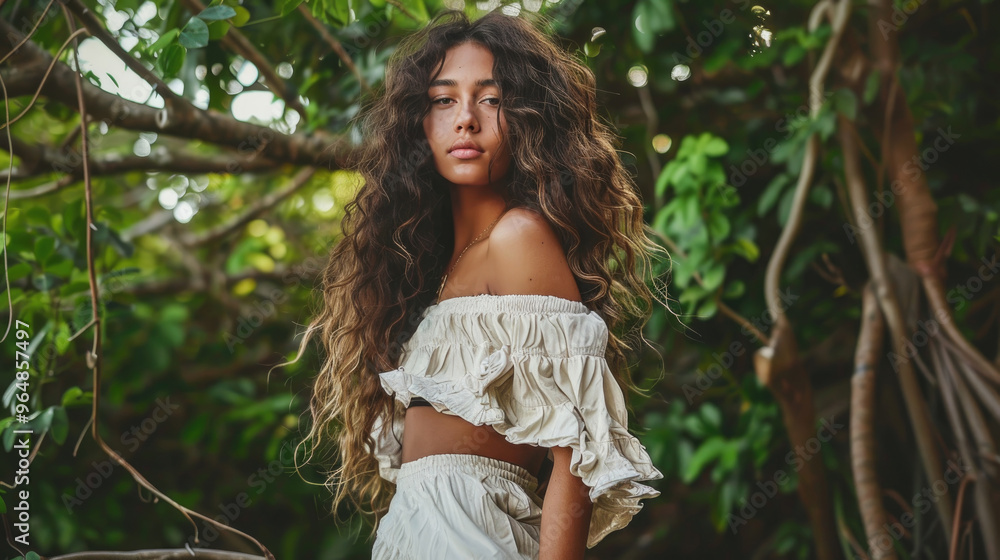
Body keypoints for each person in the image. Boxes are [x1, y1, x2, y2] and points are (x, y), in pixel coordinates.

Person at [291, 8, 669, 559]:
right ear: (420, 122)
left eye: (491, 99)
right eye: (444, 100)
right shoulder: (441, 270)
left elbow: (575, 453)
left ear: (529, 118)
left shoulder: (518, 238)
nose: (466, 119)